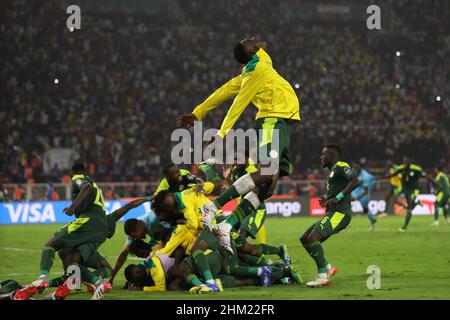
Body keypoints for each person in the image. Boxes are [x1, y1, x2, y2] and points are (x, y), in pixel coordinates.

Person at [176, 36, 301, 254]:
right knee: (267, 171)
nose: (258, 39)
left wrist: (198, 112)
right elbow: (238, 102)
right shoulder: (257, 68)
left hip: (279, 122)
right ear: (253, 49)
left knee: (268, 188)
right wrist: (223, 132)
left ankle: (226, 225)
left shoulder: (254, 67)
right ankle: (213, 206)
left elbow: (223, 91)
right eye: (253, 40)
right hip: (271, 120)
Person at [13, 163, 110, 300]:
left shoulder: (78, 178)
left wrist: (72, 207)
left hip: (88, 221)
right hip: (100, 228)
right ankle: (98, 283)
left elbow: (85, 187)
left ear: (71, 174)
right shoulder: (95, 184)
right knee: (71, 262)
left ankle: (43, 278)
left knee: (50, 244)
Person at [300, 144, 360, 287]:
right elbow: (337, 191)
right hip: (333, 212)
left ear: (332, 156)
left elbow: (356, 181)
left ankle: (322, 276)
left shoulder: (341, 166)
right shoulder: (333, 171)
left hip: (340, 214)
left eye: (323, 155)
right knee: (304, 239)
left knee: (314, 237)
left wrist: (338, 197)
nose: (321, 157)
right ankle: (328, 268)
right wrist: (327, 200)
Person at [110, 207, 172, 285]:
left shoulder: (154, 220)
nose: (135, 238)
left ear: (139, 226)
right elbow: (123, 254)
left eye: (135, 236)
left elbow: (176, 226)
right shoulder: (137, 231)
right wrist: (111, 278)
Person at [385, 157, 426, 232]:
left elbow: (423, 175)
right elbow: (395, 175)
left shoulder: (414, 169)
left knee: (409, 207)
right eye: (404, 161)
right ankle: (415, 203)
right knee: (408, 207)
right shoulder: (400, 168)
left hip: (410, 189)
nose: (405, 163)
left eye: (406, 162)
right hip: (406, 189)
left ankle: (404, 227)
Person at [351, 163, 378, 231]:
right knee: (346, 202)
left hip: (363, 194)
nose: (354, 169)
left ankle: (372, 220)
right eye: (354, 168)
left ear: (360, 168)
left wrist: (357, 197)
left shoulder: (365, 176)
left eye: (356, 168)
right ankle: (346, 222)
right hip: (355, 191)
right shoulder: (353, 172)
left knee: (365, 210)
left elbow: (366, 191)